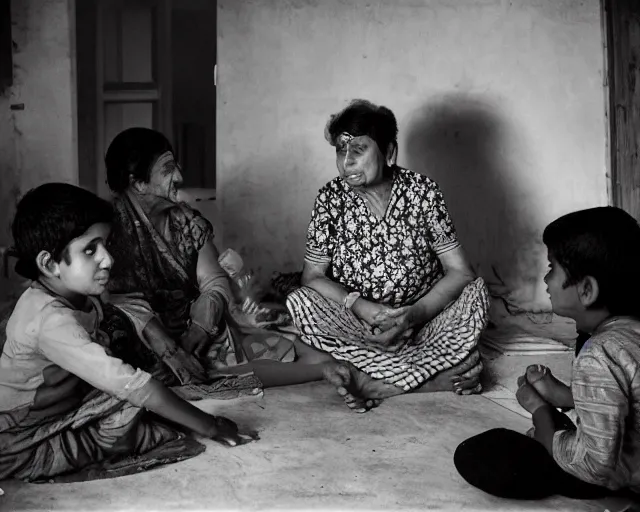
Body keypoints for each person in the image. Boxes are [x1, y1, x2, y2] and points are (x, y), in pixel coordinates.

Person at [0, 183, 255, 482]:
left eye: (105, 245)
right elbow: (135, 386)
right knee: (139, 412)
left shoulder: (76, 295)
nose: (107, 260)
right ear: (50, 263)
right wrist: (210, 426)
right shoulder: (49, 321)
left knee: (142, 400)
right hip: (19, 437)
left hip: (67, 407)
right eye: (90, 250)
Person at [286, 99, 490, 412]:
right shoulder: (330, 198)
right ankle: (436, 374)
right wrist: (359, 306)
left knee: (476, 295)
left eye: (358, 149)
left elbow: (460, 272)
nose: (347, 162)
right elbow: (312, 276)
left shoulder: (423, 192)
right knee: (302, 300)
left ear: (389, 152)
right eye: (341, 151)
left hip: (423, 320)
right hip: (357, 324)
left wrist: (415, 314)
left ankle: (372, 377)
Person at [105, 127, 335, 389]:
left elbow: (213, 281)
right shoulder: (110, 229)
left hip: (200, 328)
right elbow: (113, 300)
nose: (179, 176)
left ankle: (322, 369)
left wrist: (198, 331)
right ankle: (324, 372)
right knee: (148, 371)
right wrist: (169, 347)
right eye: (168, 169)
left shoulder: (187, 222)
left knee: (312, 353)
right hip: (145, 337)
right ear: (138, 183)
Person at [454, 206, 640, 500]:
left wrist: (541, 414)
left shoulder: (599, 353)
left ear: (587, 290)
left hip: (616, 471)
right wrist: (568, 395)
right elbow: (624, 394)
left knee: (480, 454)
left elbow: (595, 465)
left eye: (552, 268)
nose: (546, 280)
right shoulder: (628, 334)